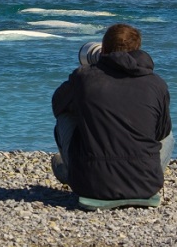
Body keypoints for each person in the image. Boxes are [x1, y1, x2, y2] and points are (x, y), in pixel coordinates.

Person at [51, 23, 173, 200]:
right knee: (167, 133)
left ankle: (71, 170)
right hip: (147, 185)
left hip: (89, 185)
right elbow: (161, 132)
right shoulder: (156, 83)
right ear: (137, 50)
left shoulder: (84, 78)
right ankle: (145, 172)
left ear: (104, 49)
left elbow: (58, 105)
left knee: (64, 116)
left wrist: (86, 81)